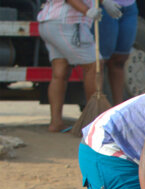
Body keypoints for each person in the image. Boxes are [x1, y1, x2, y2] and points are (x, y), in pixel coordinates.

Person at [37, 0, 100, 133]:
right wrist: (87, 11)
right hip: (67, 22)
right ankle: (94, 120)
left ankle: (56, 123)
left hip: (49, 22)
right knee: (94, 65)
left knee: (60, 72)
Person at [98, 0, 137, 104]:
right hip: (104, 6)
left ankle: (118, 107)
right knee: (99, 61)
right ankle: (98, 106)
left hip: (129, 6)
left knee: (120, 59)